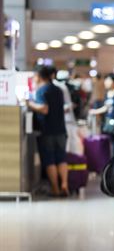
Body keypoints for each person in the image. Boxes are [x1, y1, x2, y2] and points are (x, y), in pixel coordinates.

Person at [27, 66, 69, 197]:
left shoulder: (41, 91)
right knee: (61, 158)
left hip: (47, 131)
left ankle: (55, 189)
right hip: (61, 129)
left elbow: (44, 109)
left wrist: (29, 104)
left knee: (50, 160)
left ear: (39, 76)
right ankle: (65, 184)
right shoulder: (58, 90)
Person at [89, 73, 114, 155]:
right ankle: (112, 164)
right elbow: (106, 108)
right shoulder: (107, 93)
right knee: (111, 146)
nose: (106, 82)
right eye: (106, 80)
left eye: (108, 80)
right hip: (109, 124)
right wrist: (95, 111)